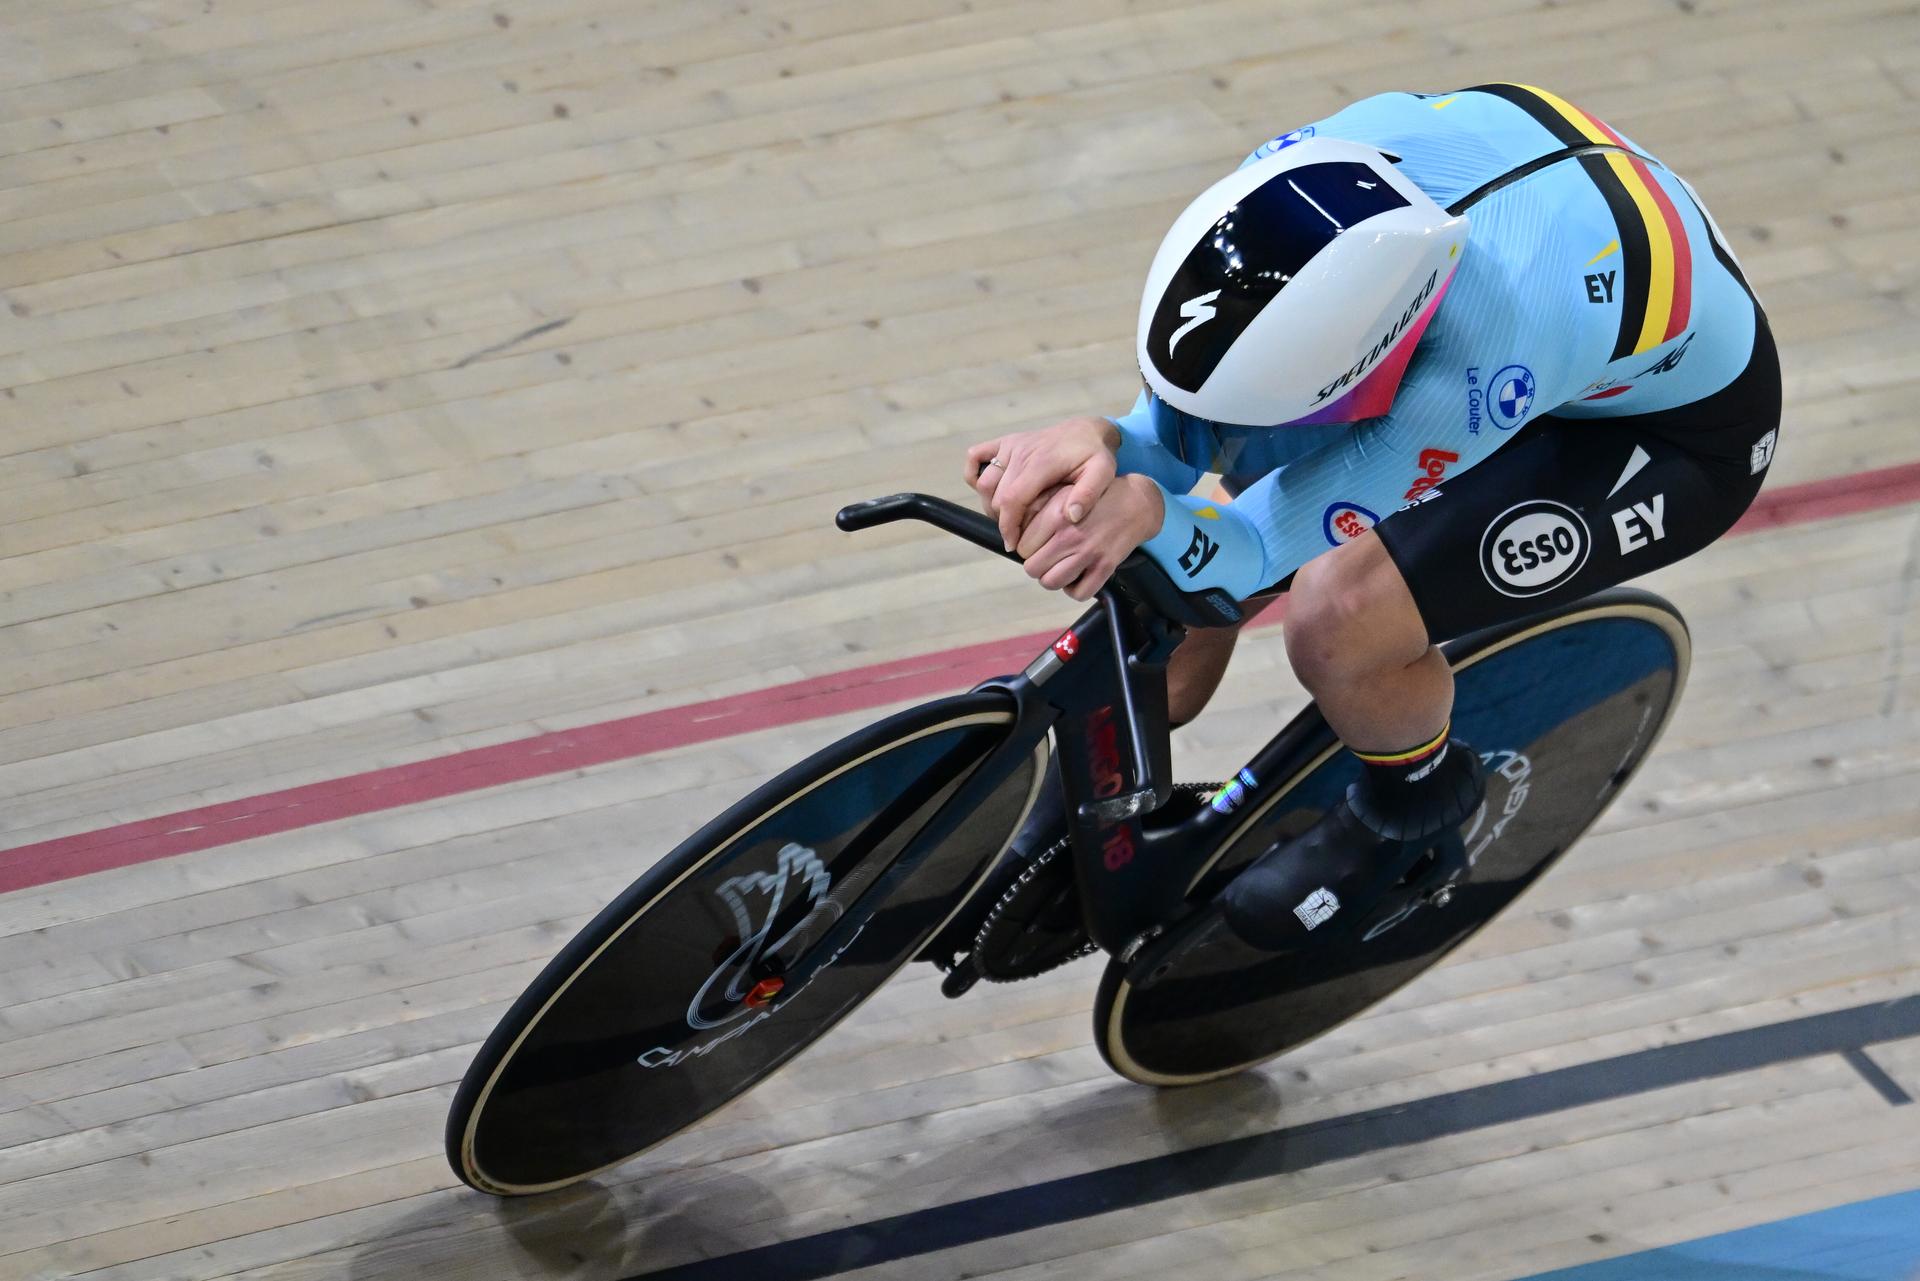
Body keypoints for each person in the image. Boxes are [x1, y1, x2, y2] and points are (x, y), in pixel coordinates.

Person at [965, 84, 1780, 954]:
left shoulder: (1481, 357)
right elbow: (1202, 403)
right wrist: (1107, 444)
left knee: (1339, 617)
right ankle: (1107, 779)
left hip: (1669, 436)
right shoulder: (1297, 171)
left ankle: (1415, 811)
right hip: (1534, 284)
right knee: (1173, 566)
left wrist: (1149, 507)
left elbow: (1255, 551)